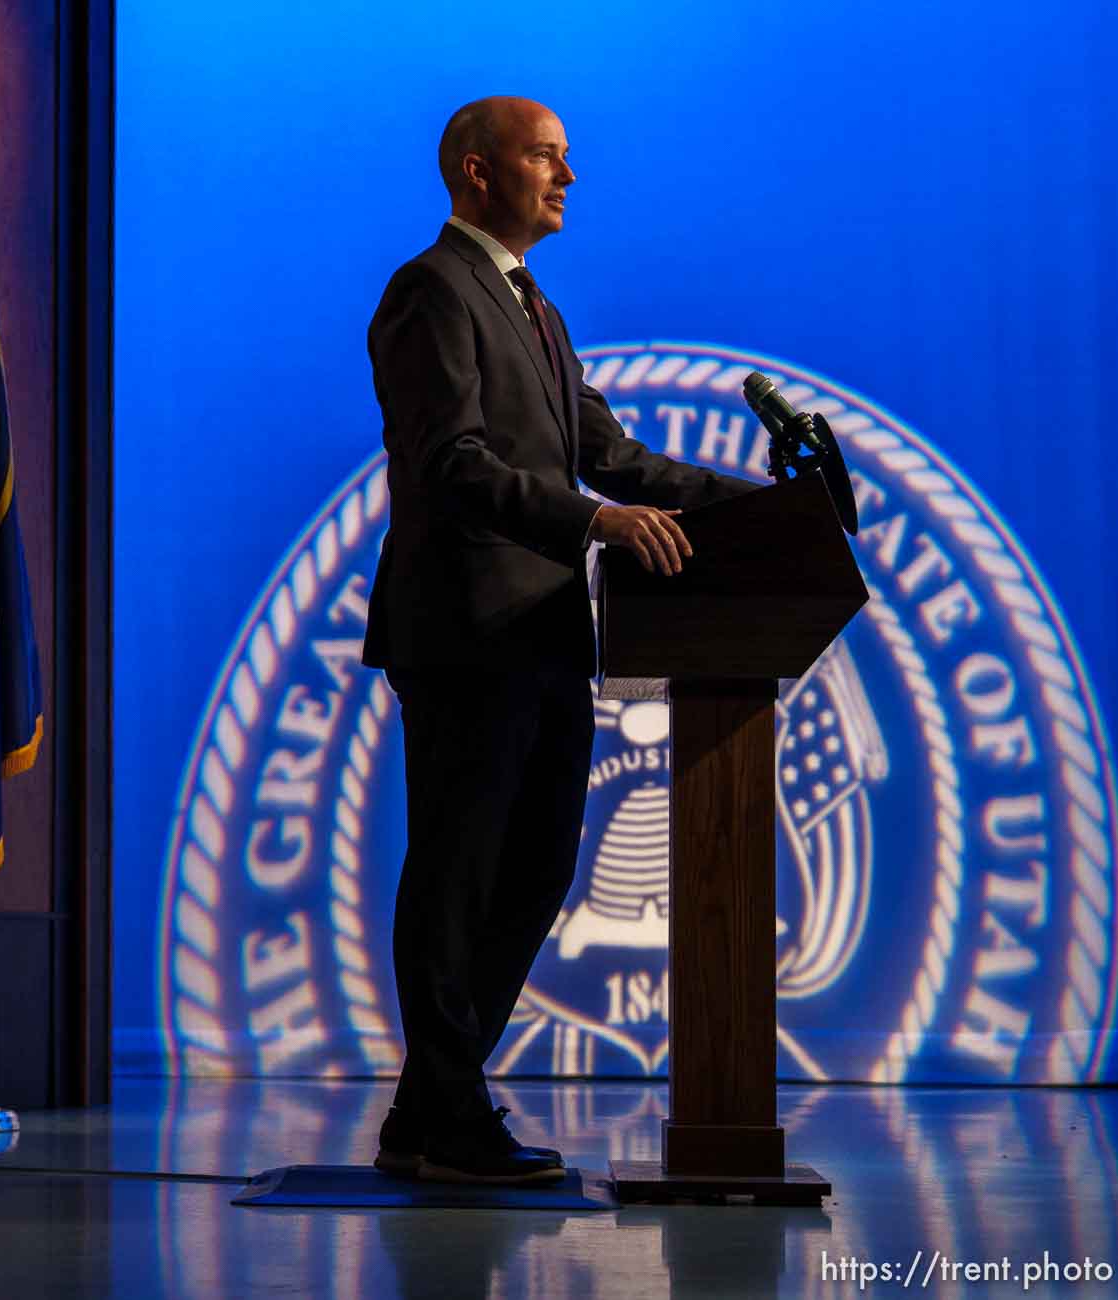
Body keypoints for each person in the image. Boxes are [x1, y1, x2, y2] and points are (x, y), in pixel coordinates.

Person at [363, 95, 758, 1184]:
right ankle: (449, 1116)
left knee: (536, 871)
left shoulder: (534, 305)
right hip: (464, 630)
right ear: (477, 173)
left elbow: (613, 454)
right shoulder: (430, 291)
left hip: (540, 634)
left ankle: (426, 1109)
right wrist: (594, 521)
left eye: (567, 159)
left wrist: (762, 510)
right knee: (456, 874)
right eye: (545, 157)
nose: (567, 177)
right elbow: (453, 463)